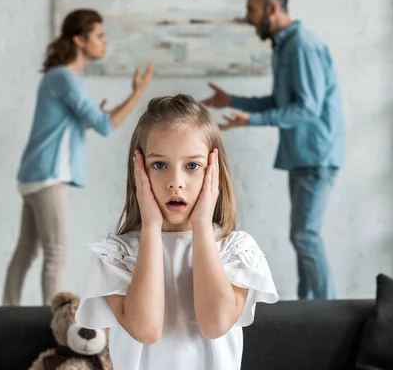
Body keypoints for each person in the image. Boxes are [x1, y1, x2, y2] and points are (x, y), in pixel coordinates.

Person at [74, 95, 279, 370]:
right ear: (139, 172)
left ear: (214, 172)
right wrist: (151, 227)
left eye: (192, 166)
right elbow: (146, 329)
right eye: (160, 165)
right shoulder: (117, 256)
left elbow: (215, 323)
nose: (176, 182)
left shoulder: (235, 250)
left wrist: (203, 225)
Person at [203, 0, 344, 300]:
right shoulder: (285, 46)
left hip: (316, 155)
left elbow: (308, 108)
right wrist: (233, 100)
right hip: (302, 155)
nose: (248, 17)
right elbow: (281, 102)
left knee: (305, 236)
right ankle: (311, 308)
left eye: (252, 10)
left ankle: (325, 309)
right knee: (302, 236)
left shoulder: (302, 46)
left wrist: (252, 119)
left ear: (271, 9)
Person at [2, 9, 154, 306]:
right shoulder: (64, 78)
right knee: (56, 252)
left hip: (35, 174)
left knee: (27, 252)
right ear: (80, 40)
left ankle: (7, 310)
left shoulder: (58, 78)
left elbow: (90, 121)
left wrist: (95, 116)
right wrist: (138, 93)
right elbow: (104, 126)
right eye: (98, 35)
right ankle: (52, 323)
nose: (104, 42)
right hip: (48, 176)